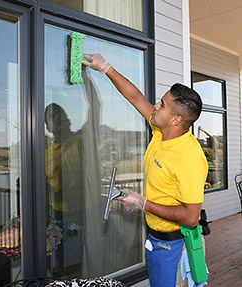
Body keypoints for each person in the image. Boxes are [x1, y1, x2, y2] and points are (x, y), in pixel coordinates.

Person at [82, 54, 208, 287]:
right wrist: (105, 67)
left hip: (173, 246)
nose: (155, 106)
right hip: (156, 238)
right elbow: (135, 97)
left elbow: (191, 217)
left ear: (176, 119)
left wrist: (142, 203)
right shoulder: (162, 131)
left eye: (161, 104)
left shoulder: (189, 158)